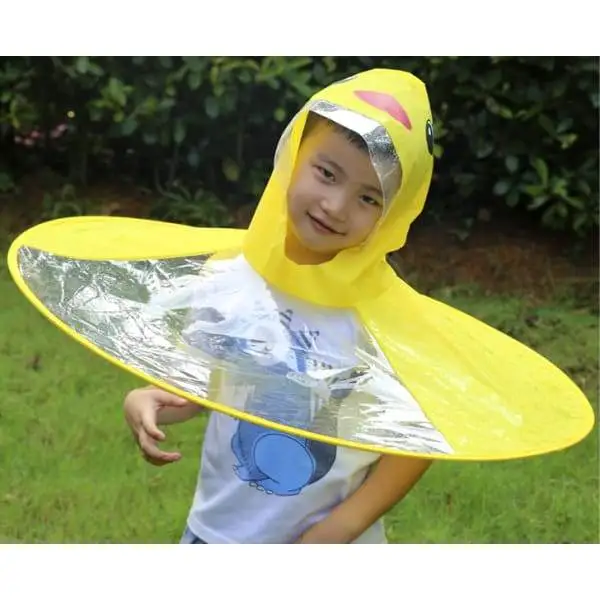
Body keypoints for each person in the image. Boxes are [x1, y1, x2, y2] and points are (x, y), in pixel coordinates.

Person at [124, 68, 438, 544]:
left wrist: (341, 528)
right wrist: (150, 399)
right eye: (326, 173)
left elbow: (415, 440)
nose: (335, 205)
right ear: (292, 156)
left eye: (368, 198)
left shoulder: (385, 319)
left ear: (393, 215)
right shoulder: (230, 278)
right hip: (217, 533)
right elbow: (203, 383)